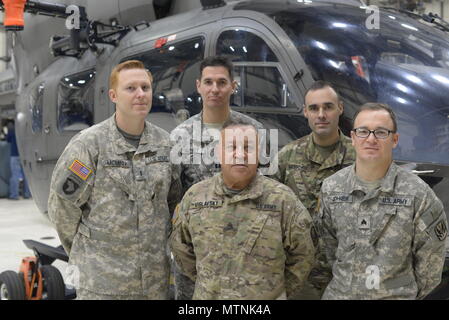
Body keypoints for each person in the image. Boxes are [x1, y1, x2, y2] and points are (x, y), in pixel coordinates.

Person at [48, 60, 182, 300]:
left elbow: (173, 205)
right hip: (102, 284)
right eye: (130, 88)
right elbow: (62, 209)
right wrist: (87, 256)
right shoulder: (89, 145)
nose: (140, 94)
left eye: (145, 87)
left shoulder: (165, 144)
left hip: (154, 284)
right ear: (113, 95)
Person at [170, 121, 315, 299]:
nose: (240, 154)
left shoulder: (282, 199)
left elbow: (303, 256)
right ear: (218, 153)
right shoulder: (195, 198)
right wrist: (214, 284)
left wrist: (272, 292)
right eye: (232, 147)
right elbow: (181, 249)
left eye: (248, 147)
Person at [317, 102, 447, 299]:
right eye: (363, 131)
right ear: (353, 138)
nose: (371, 139)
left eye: (381, 132)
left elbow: (431, 264)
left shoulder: (418, 194)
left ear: (394, 140)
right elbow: (326, 254)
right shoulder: (331, 188)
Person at [170, 55, 264, 299]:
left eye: (222, 82)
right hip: (197, 256)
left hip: (245, 252)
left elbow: (266, 188)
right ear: (198, 86)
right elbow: (172, 198)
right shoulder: (180, 136)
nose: (215, 89)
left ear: (233, 86)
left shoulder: (254, 131)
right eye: (208, 82)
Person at [274, 80, 355, 299]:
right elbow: (269, 213)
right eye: (314, 108)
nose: (321, 114)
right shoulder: (287, 157)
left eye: (328, 107)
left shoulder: (360, 157)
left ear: (340, 108)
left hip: (347, 277)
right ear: (305, 113)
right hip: (300, 279)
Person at [6, 120, 31, 200]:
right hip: (24, 155)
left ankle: (14, 195)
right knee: (26, 176)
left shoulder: (12, 130)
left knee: (15, 176)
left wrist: (9, 131)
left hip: (14, 155)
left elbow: (7, 140)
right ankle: (27, 194)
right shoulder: (24, 130)